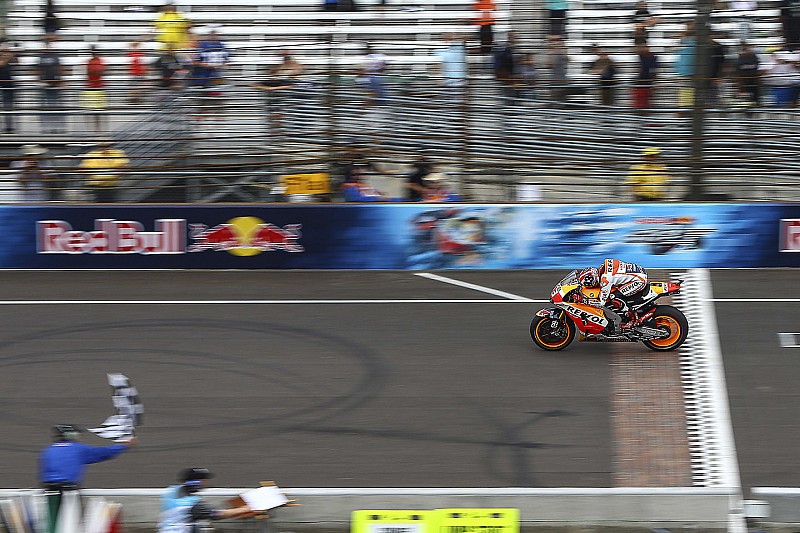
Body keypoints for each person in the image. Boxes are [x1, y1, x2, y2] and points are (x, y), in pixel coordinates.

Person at [39, 424, 136, 490]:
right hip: (68, 486)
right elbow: (104, 453)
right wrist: (124, 445)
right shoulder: (78, 448)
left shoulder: (49, 449)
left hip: (48, 486)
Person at [158, 468, 253, 533]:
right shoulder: (191, 504)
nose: (206, 483)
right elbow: (218, 515)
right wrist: (246, 508)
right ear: (196, 482)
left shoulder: (172, 491)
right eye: (204, 480)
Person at [576, 259, 651, 333]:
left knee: (614, 297)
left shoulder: (605, 280)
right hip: (639, 271)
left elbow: (601, 304)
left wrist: (583, 300)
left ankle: (632, 319)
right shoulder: (604, 265)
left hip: (639, 280)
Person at [38, 37, 66, 134]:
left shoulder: (55, 55)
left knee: (57, 106)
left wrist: (62, 80)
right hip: (45, 83)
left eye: (49, 43)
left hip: (55, 82)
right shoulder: (41, 56)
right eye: (46, 43)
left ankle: (59, 127)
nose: (47, 45)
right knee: (46, 107)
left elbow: (60, 67)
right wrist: (39, 80)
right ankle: (46, 128)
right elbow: (38, 68)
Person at [81, 46, 108, 133]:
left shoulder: (99, 61)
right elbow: (91, 72)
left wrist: (94, 71)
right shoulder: (91, 62)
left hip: (97, 87)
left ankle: (98, 130)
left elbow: (100, 72)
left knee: (98, 111)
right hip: (91, 87)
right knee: (91, 110)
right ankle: (93, 130)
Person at [632, 43, 658, 111]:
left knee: (644, 97)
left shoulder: (650, 57)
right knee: (642, 97)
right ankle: (642, 109)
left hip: (646, 79)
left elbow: (653, 68)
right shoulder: (642, 56)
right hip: (643, 79)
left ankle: (643, 109)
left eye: (646, 47)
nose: (645, 48)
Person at [0, 40, 17, 134]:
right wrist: (8, 56)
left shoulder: (9, 59)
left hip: (8, 86)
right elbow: (1, 63)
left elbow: (17, 62)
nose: (5, 53)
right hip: (2, 86)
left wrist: (13, 54)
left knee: (8, 108)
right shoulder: (4, 59)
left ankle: (9, 128)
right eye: (3, 51)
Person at [128, 39, 148, 104]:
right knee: (134, 87)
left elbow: (143, 63)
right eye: (135, 46)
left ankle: (137, 100)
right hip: (134, 73)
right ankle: (134, 100)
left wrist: (144, 72)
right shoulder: (131, 54)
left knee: (138, 87)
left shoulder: (139, 54)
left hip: (139, 73)